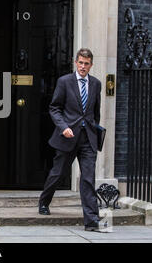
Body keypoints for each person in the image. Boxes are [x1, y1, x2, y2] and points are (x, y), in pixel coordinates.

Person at [38, 48, 108, 232]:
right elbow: (54, 108)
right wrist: (64, 127)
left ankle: (92, 221)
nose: (83, 67)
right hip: (68, 136)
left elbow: (95, 111)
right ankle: (44, 201)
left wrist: (93, 128)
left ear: (91, 65)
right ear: (75, 62)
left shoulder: (96, 84)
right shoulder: (64, 82)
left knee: (88, 179)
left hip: (88, 139)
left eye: (87, 64)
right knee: (58, 173)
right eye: (80, 63)